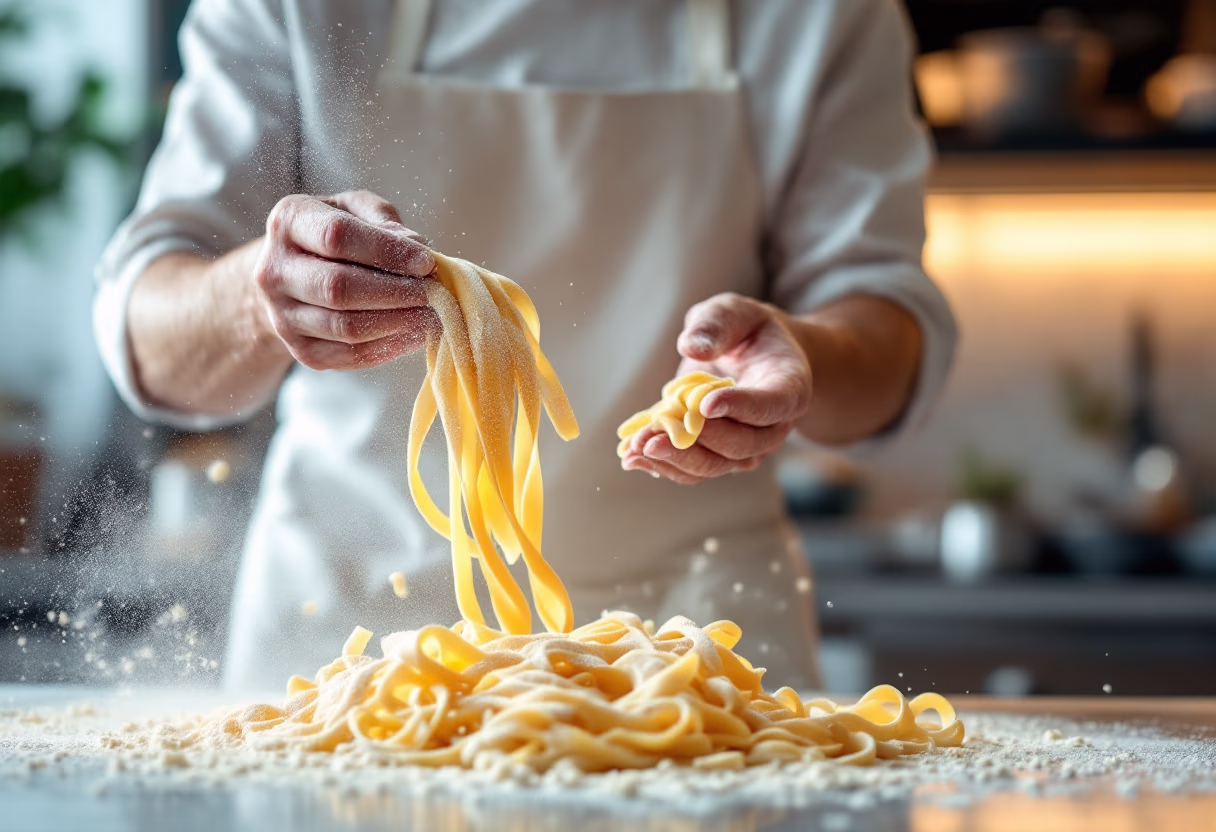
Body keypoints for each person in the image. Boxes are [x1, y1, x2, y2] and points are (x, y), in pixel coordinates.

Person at [95, 0, 956, 692]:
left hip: (695, 650)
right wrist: (261, 296)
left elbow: (883, 327)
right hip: (349, 643)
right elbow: (149, 335)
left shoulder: (822, 14)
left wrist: (804, 357)